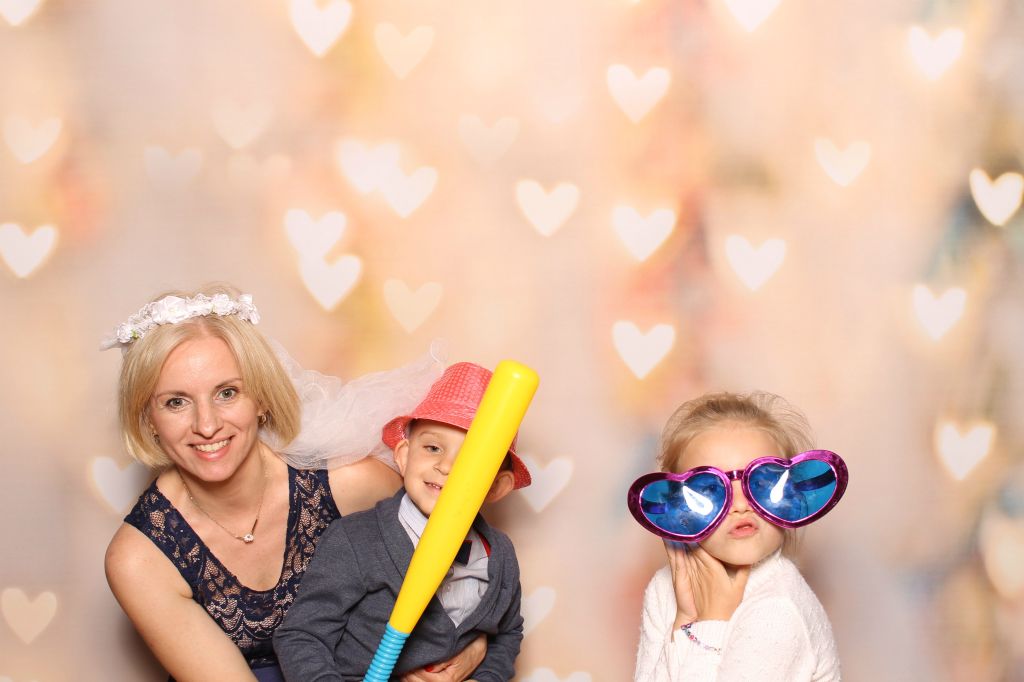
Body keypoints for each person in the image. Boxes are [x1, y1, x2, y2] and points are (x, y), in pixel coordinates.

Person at [102, 285, 486, 682]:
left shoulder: (353, 485)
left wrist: (471, 648)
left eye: (227, 393)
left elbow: (470, 572)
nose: (207, 424)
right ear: (148, 419)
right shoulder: (140, 559)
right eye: (176, 402)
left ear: (261, 399)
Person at [274, 361, 531, 681]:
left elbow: (507, 633)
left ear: (497, 486)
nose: (447, 467)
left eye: (472, 459)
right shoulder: (355, 540)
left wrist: (484, 679)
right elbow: (302, 637)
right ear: (404, 455)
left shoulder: (500, 555)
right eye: (433, 448)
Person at [630, 391, 846, 681]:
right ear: (680, 509)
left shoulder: (778, 609)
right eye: (711, 489)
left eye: (762, 483)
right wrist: (684, 622)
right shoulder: (663, 590)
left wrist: (711, 623)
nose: (741, 505)